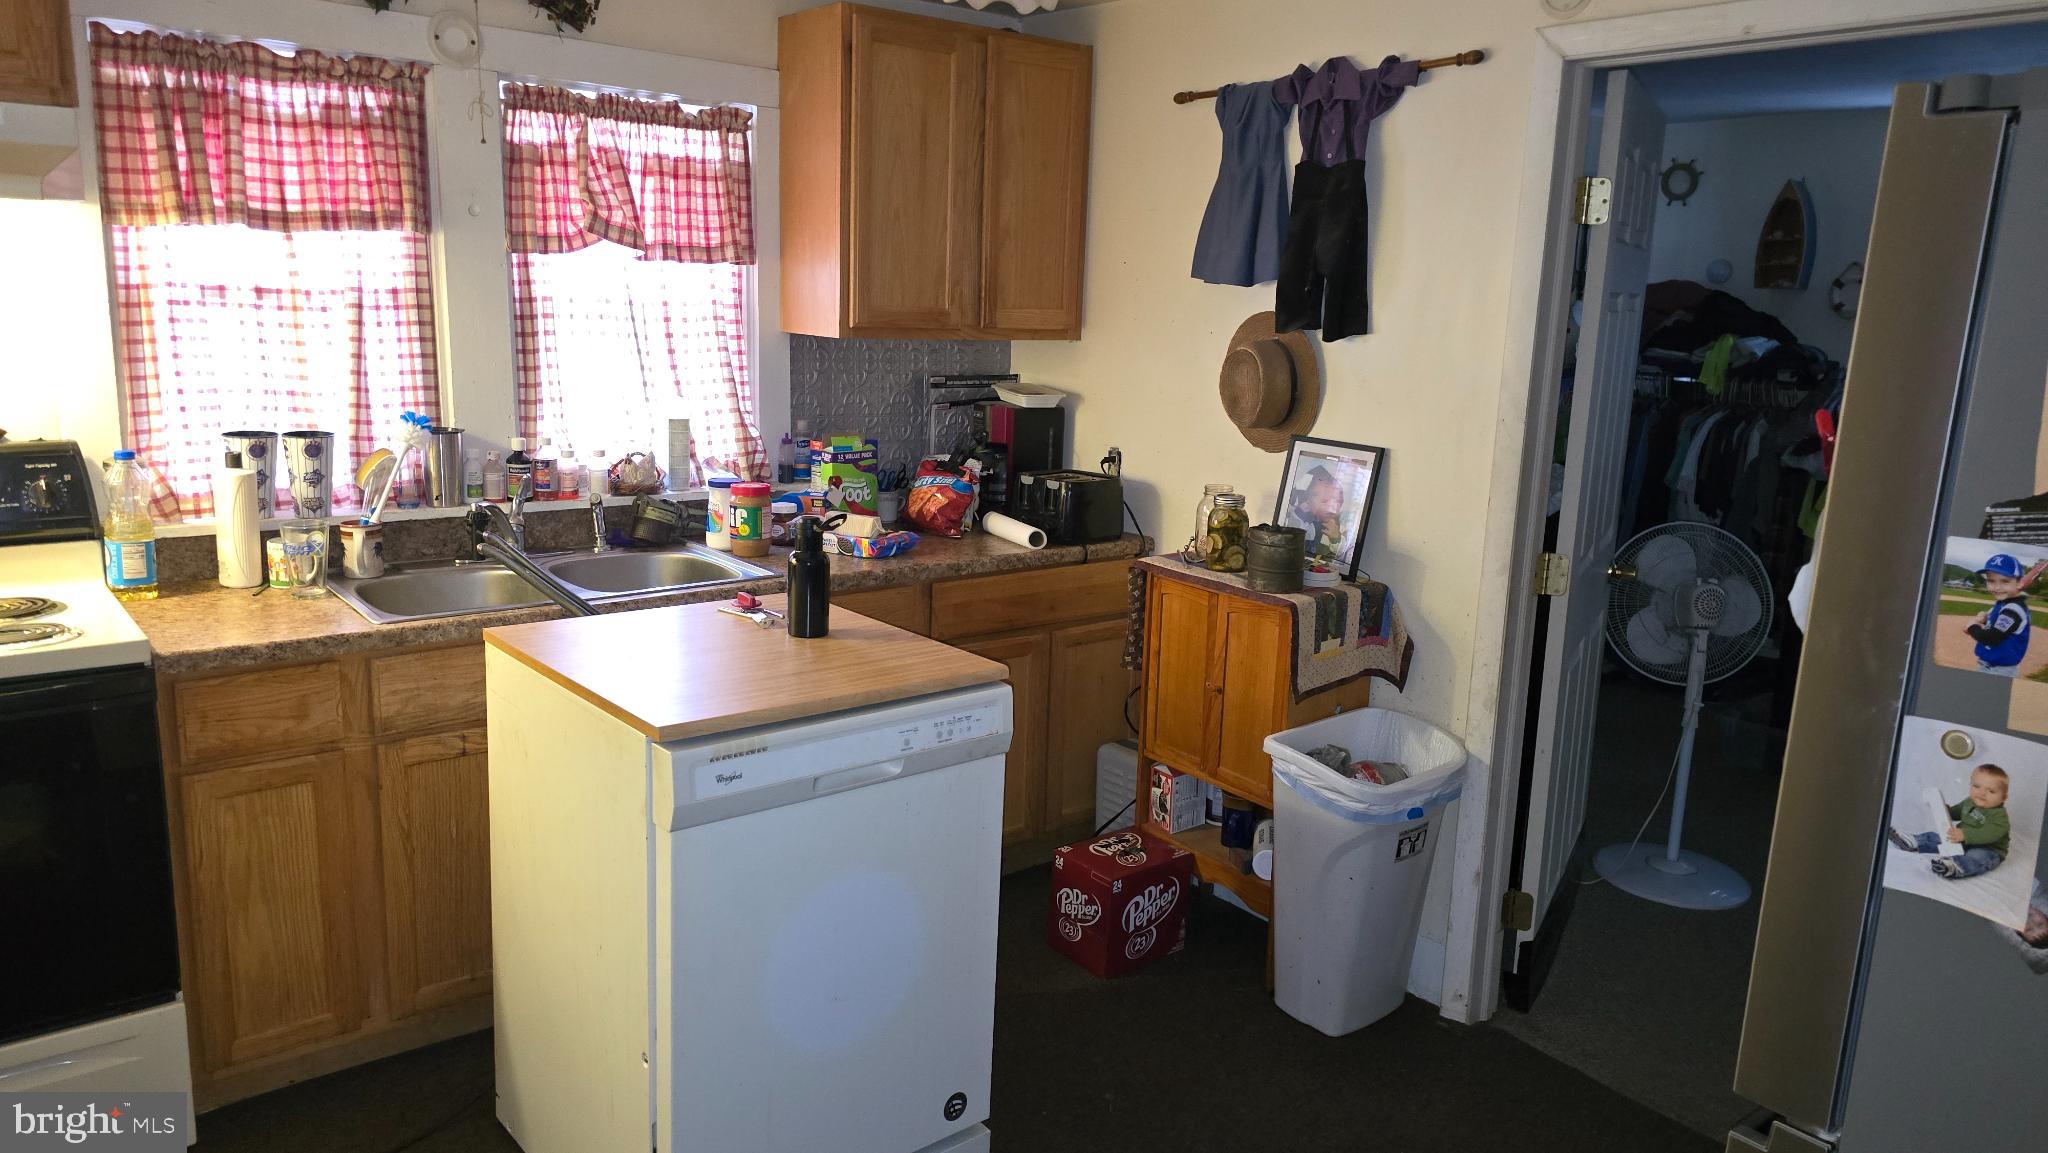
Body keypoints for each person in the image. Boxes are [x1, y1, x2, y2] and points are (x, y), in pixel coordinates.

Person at [1888, 764, 2012, 879]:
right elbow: (1957, 813)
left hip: (1988, 848)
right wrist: (1946, 810)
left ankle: (1953, 867)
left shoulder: (1999, 816)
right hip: (1962, 839)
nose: (1982, 793)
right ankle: (1913, 842)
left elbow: (1989, 834)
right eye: (1976, 786)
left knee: (1978, 857)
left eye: (1991, 791)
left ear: (2003, 798)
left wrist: (1965, 835)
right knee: (1937, 837)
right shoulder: (1969, 802)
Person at [1966, 553, 2033, 677]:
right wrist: (1986, 619)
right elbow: (2000, 626)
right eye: (1991, 581)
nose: (1997, 587)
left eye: (2005, 581)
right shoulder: (2003, 603)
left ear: (2019, 583)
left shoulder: (2013, 611)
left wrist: (1972, 627)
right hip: (1987, 665)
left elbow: (1991, 638)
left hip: (2000, 671)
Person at [1289, 465, 1345, 560]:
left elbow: (1342, 555)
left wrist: (1336, 539)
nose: (1331, 508)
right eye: (1324, 501)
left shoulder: (1338, 527)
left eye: (1337, 502)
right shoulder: (1297, 519)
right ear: (1308, 501)